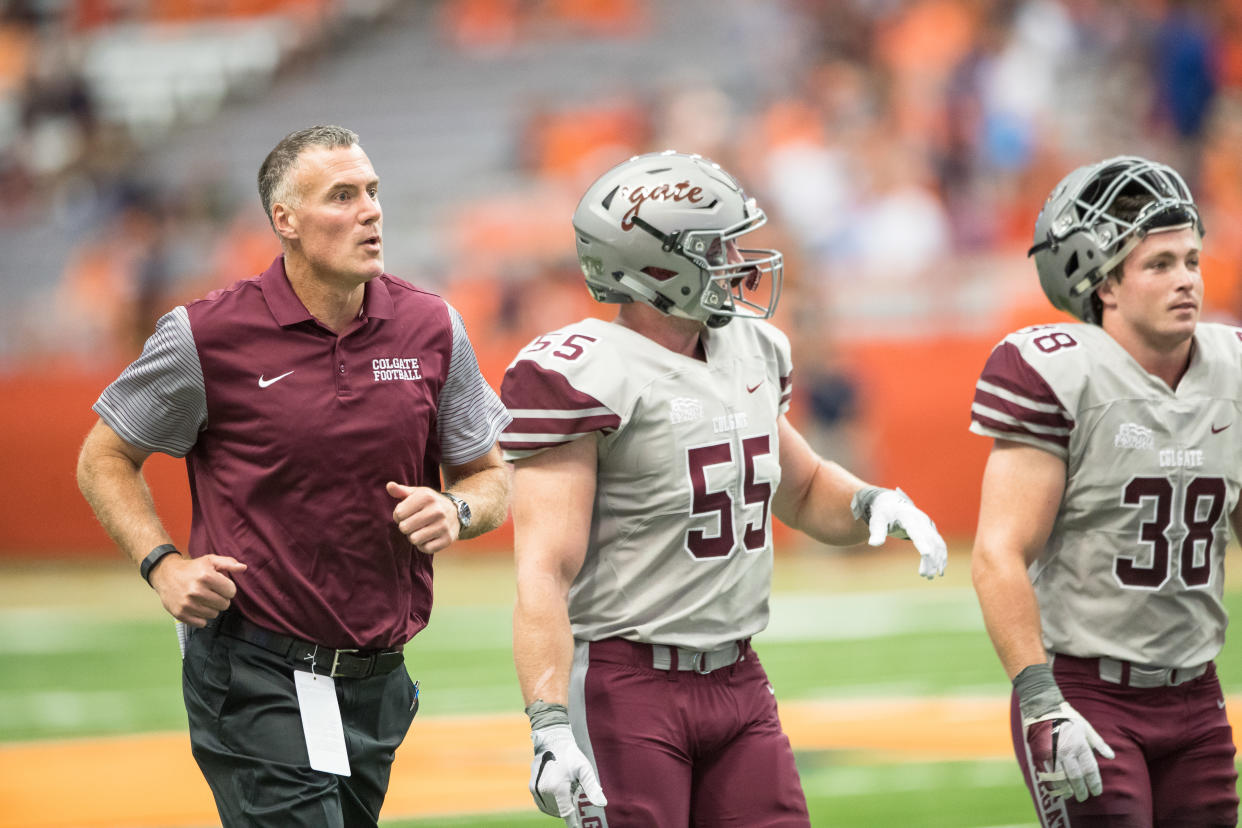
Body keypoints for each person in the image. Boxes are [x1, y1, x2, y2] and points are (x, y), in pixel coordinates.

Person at [75, 125, 512, 827]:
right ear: (286, 220)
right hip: (257, 671)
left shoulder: (433, 326)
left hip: (377, 679)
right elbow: (103, 457)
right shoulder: (206, 335)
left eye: (372, 191)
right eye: (342, 196)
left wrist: (457, 511)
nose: (370, 210)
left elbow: (490, 475)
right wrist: (162, 565)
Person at [499, 150, 948, 827]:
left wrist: (871, 502)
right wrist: (549, 722)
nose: (736, 257)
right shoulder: (586, 373)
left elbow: (803, 489)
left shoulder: (751, 348)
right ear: (652, 263)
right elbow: (544, 569)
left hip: (739, 678)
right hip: (629, 683)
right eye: (713, 244)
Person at [970, 155, 1240, 826]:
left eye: (1191, 261)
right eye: (1159, 265)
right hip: (1085, 693)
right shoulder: (1061, 372)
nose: (1186, 281)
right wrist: (1041, 702)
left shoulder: (1232, 369)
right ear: (1104, 285)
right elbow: (997, 554)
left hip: (1196, 695)